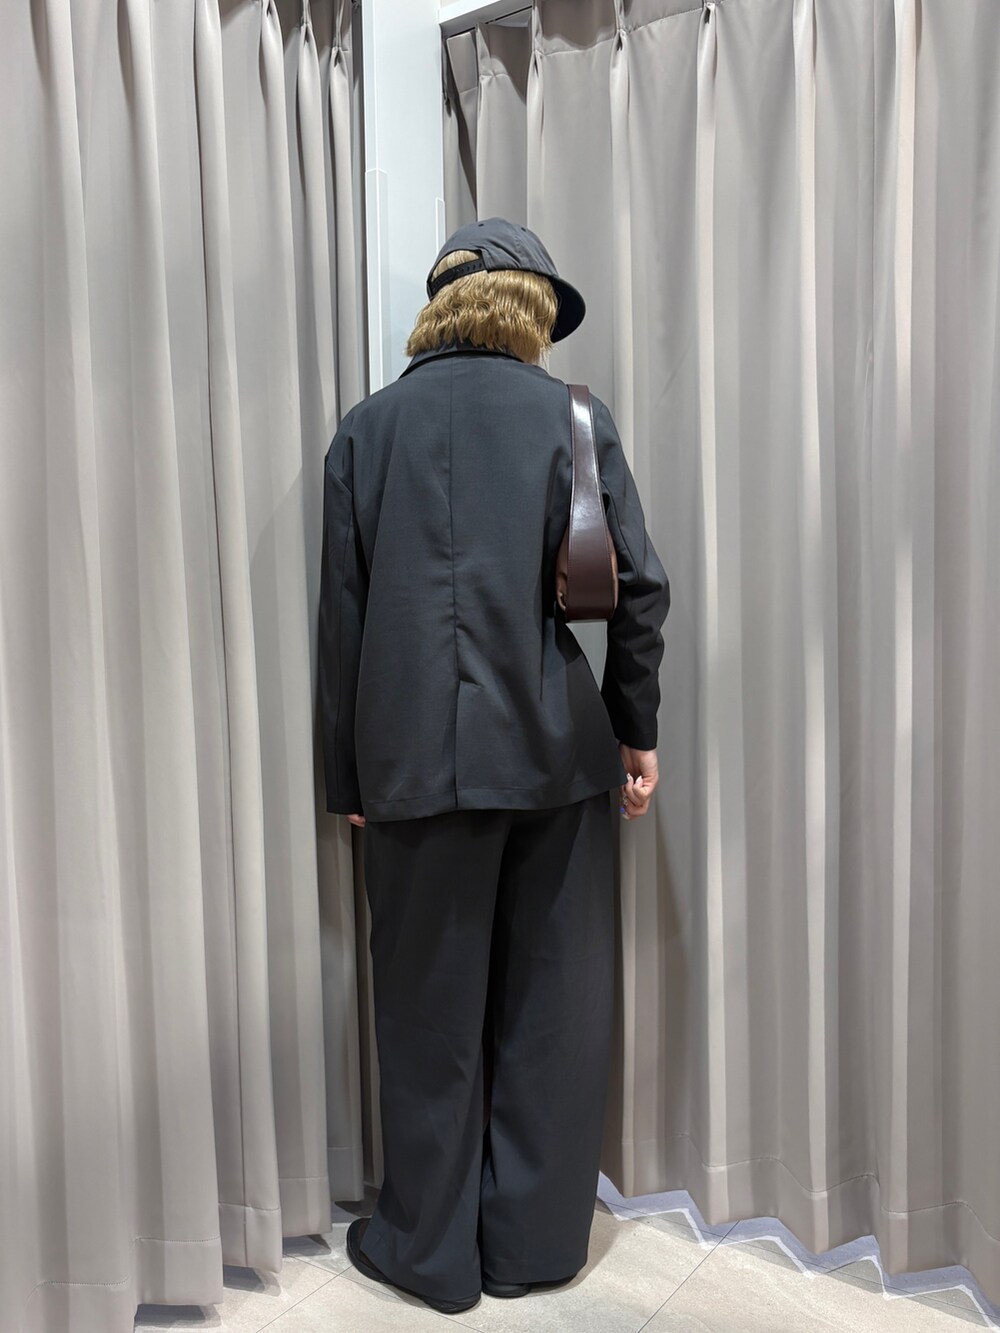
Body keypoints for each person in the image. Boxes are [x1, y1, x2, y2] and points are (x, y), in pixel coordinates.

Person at [317, 216, 670, 1315]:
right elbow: (639, 589)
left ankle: (427, 1253)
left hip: (413, 769)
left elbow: (342, 625)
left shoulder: (366, 430)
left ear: (440, 307)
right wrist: (635, 728)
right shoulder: (575, 418)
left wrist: (348, 781)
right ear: (530, 310)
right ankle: (534, 1245)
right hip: (556, 756)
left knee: (425, 1012)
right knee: (551, 1008)